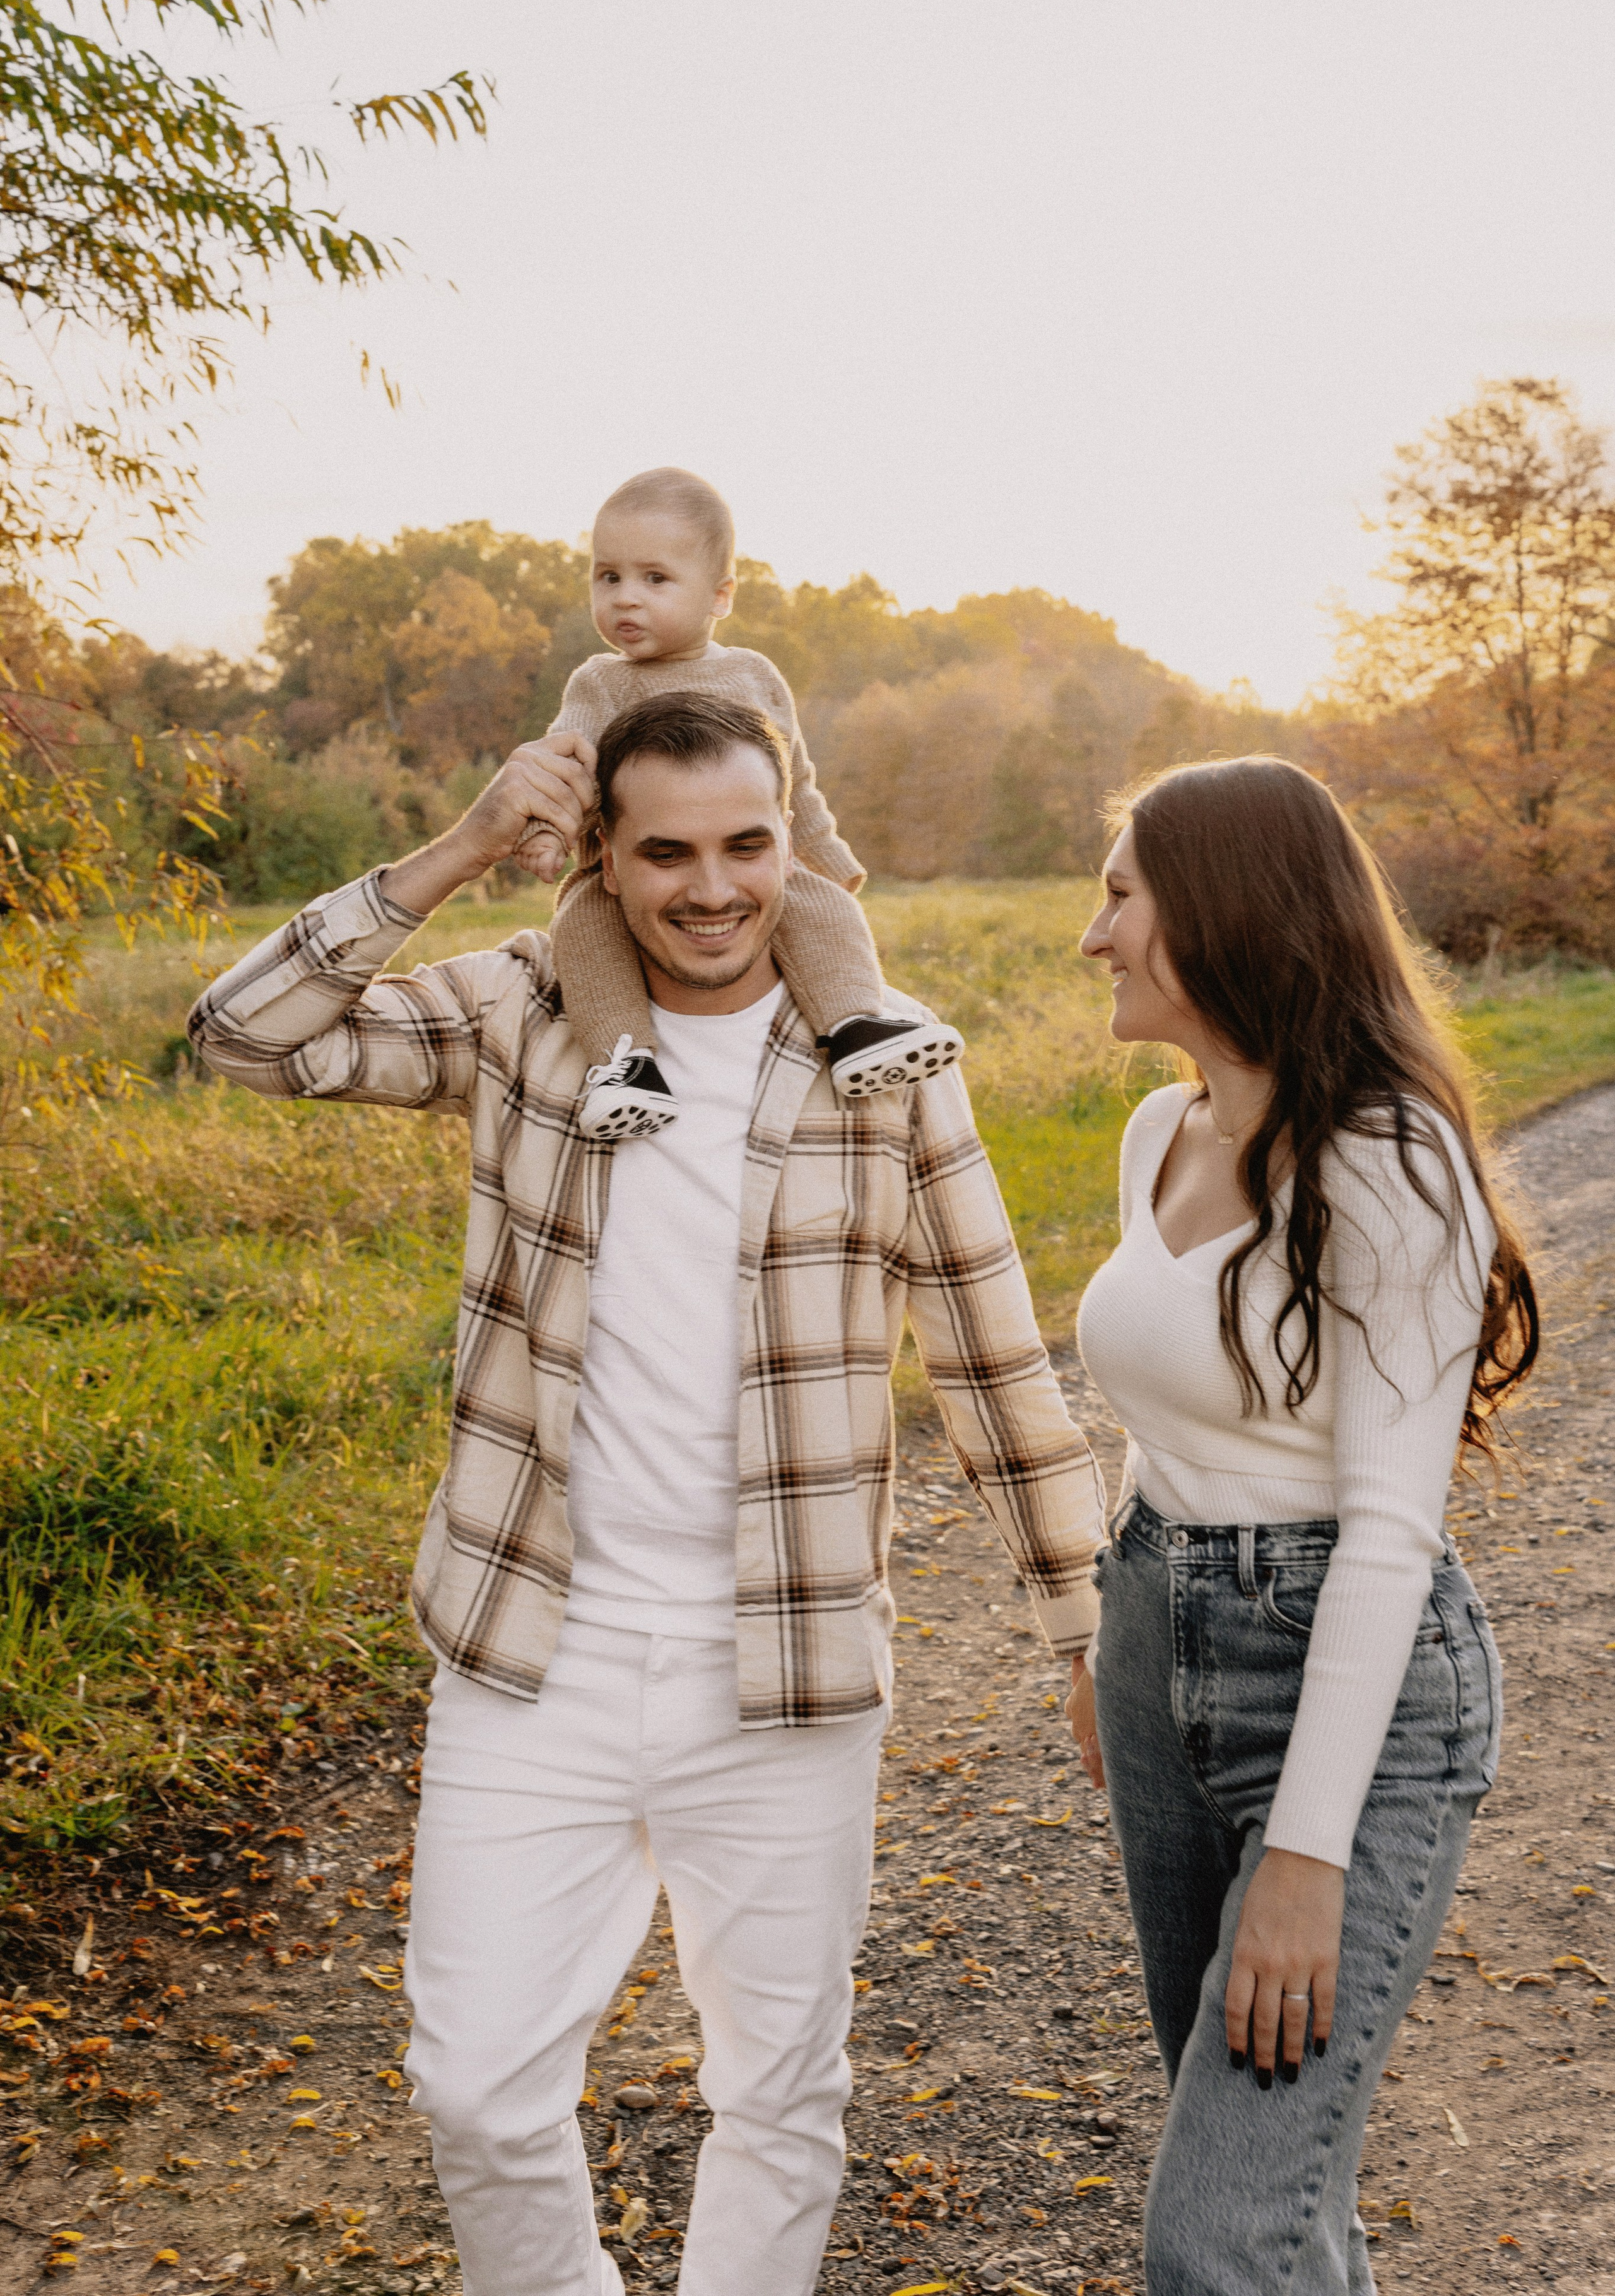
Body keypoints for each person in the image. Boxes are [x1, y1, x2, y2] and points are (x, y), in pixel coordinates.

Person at [187, 691, 1106, 2296]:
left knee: (777, 2091)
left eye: (744, 844)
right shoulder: (521, 1011)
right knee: (473, 2084)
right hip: (533, 1652)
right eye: (664, 850)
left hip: (784, 1676)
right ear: (601, 856)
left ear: (787, 844)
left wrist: (1080, 1622)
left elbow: (990, 1352)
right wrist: (464, 845)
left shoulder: (884, 1060)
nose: (709, 887)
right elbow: (241, 1035)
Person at [1066, 757, 1536, 2296]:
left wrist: (1306, 1855)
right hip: (1151, 1647)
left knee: (1214, 2234)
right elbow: (1160, 1433)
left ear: (1223, 909)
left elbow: (1389, 1536)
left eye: (1121, 892)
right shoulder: (1157, 1132)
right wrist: (1099, 1637)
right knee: (1275, 2188)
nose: (1095, 934)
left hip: (1344, 1685)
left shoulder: (1387, 1162)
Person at [521, 464, 963, 1142]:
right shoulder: (599, 684)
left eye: (655, 579)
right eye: (607, 577)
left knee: (823, 906)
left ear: (721, 594)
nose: (625, 600)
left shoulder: (752, 675)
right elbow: (567, 764)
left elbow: (797, 776)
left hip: (764, 859)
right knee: (583, 929)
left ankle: (853, 1026)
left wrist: (824, 852)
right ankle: (625, 1066)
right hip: (624, 880)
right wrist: (548, 834)